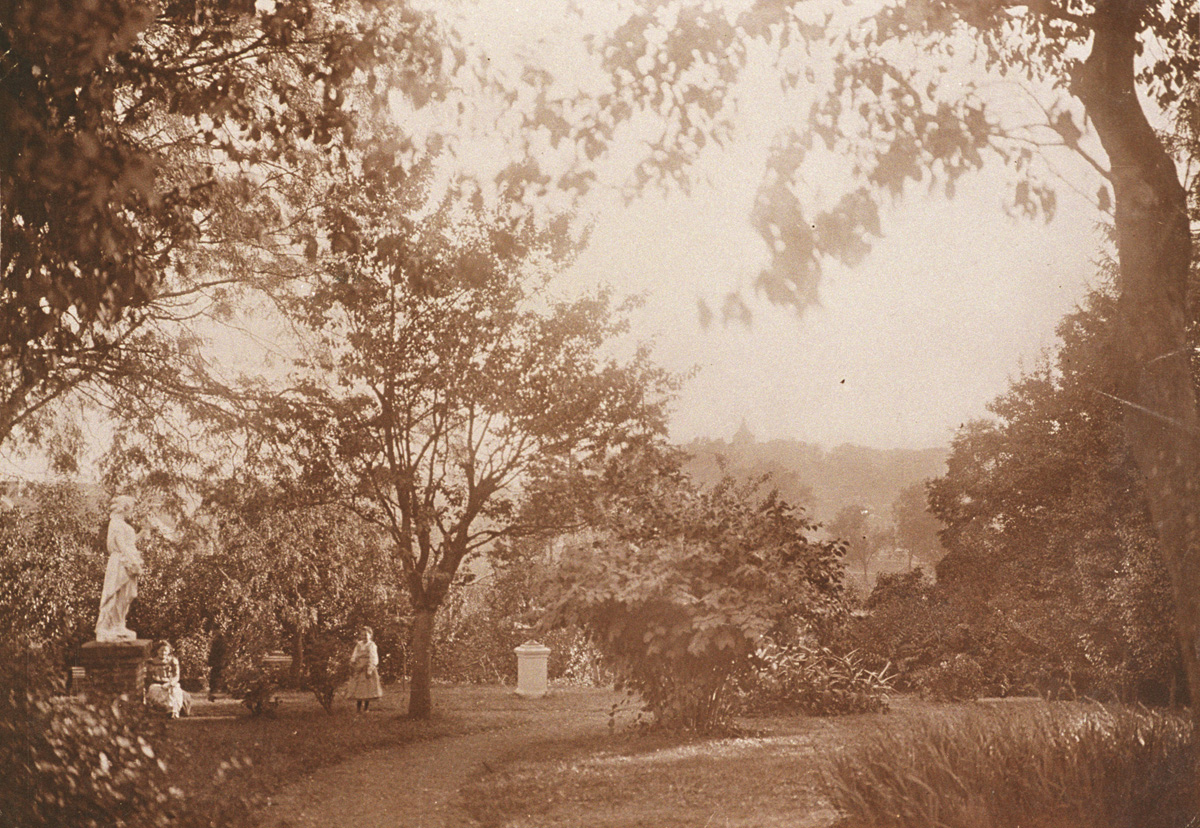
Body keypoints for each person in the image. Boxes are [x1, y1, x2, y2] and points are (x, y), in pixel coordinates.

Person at [95, 495, 144, 642]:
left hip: (126, 561)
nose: (132, 512)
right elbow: (121, 545)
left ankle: (119, 624)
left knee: (127, 595)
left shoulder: (121, 523)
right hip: (120, 563)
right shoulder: (116, 523)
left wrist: (143, 532)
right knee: (117, 594)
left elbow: (130, 541)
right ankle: (112, 625)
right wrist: (133, 562)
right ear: (125, 508)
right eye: (131, 508)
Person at [146, 640, 191, 718]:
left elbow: (176, 676)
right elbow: (148, 677)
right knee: (155, 690)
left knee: (174, 691)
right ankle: (162, 710)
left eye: (165, 650)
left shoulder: (173, 661)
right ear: (157, 651)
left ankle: (174, 711)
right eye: (161, 650)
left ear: (169, 651)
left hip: (170, 683)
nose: (163, 653)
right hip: (156, 684)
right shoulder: (152, 662)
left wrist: (170, 683)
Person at [347, 626, 382, 712]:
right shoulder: (359, 644)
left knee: (367, 687)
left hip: (367, 667)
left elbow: (373, 657)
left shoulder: (372, 645)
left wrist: (370, 669)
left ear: (370, 635)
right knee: (359, 687)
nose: (364, 637)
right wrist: (353, 662)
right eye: (362, 635)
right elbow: (355, 654)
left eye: (366, 635)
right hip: (358, 666)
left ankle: (366, 708)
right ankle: (358, 708)